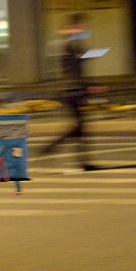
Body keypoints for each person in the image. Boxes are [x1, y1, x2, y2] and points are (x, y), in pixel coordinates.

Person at [43, 13, 99, 172]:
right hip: (69, 91)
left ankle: (80, 160)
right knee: (80, 125)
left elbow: (79, 63)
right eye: (82, 27)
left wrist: (89, 85)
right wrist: (88, 86)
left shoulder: (74, 44)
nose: (85, 30)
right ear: (74, 27)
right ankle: (56, 149)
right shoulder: (66, 44)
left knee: (80, 126)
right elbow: (72, 69)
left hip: (74, 90)